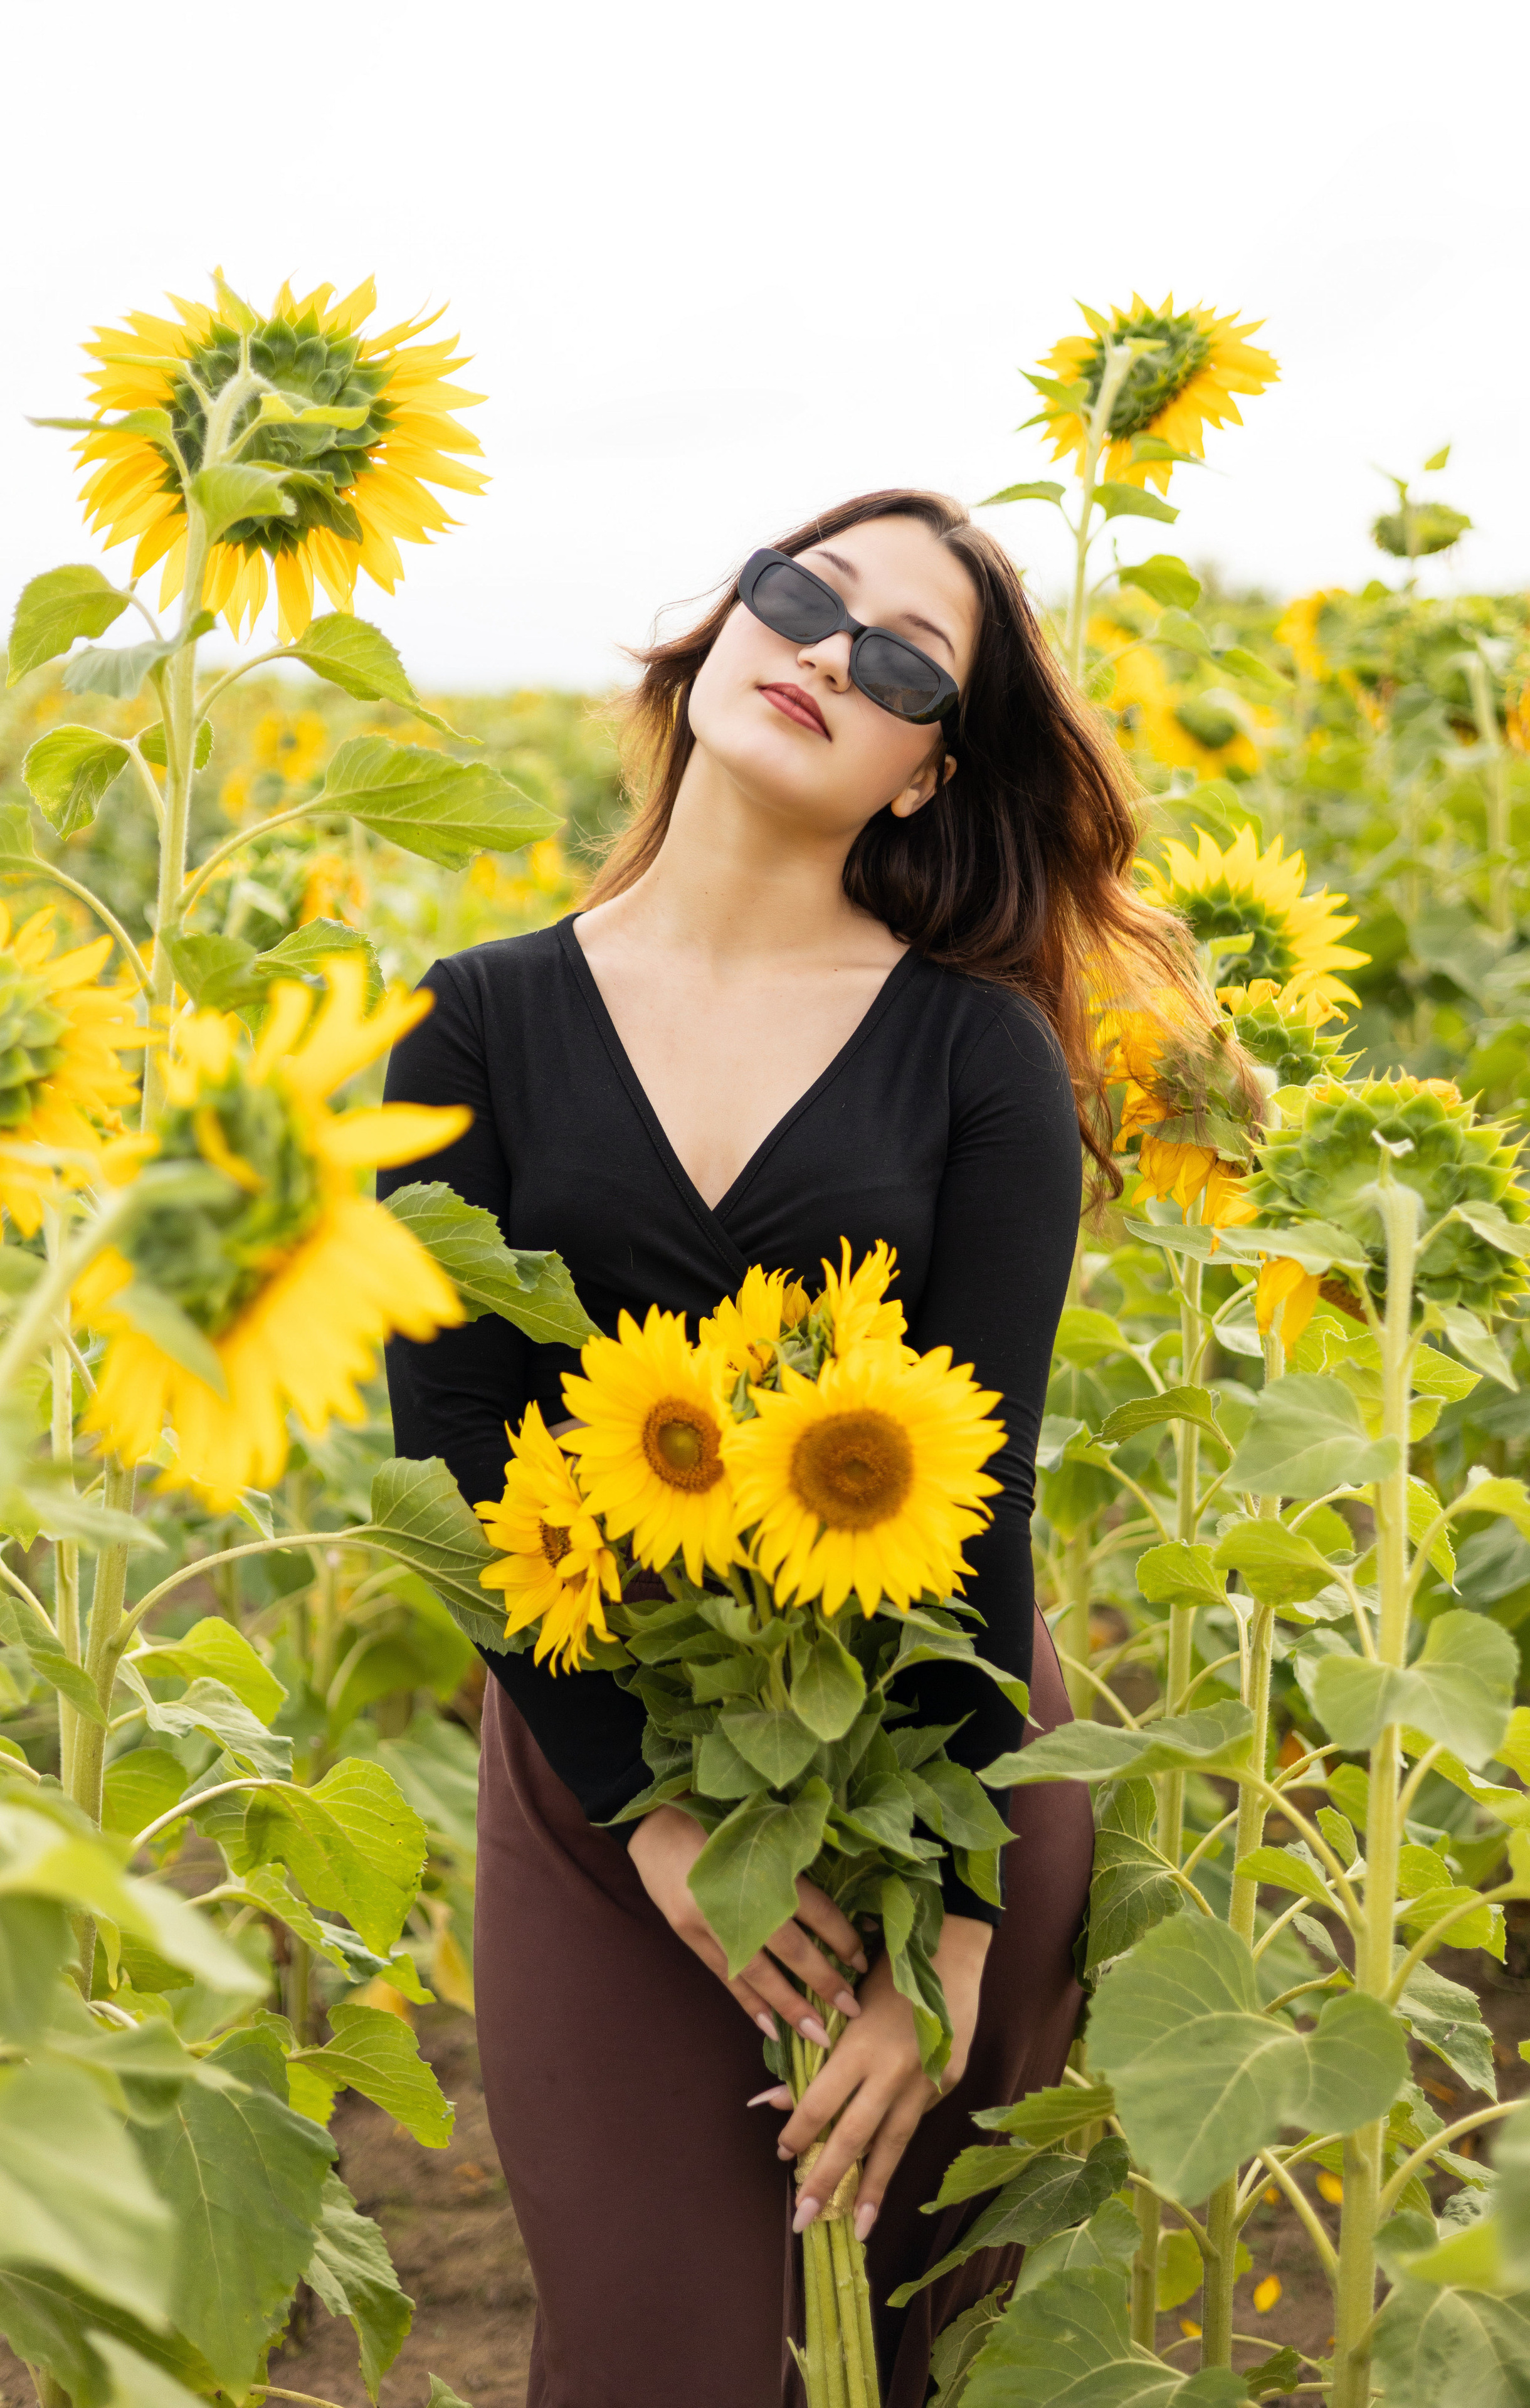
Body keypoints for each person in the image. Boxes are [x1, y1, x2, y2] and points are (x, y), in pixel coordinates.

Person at [379, 488, 1196, 2407]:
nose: (830, 652)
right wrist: (659, 1828)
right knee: (661, 2360)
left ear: (929, 772)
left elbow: (977, 1500)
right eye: (801, 598)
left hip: (929, 1768)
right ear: (722, 630)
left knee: (901, 2362)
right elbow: (458, 1456)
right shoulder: (471, 1027)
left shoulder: (971, 1049)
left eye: (903, 657)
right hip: (608, 1768)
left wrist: (964, 1938)